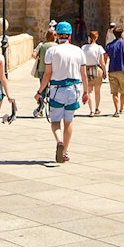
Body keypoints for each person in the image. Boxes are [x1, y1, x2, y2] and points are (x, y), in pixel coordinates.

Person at [35, 20, 88, 163]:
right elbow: (84, 74)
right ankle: (64, 152)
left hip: (57, 89)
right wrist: (86, 92)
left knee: (56, 121)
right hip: (74, 88)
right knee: (69, 121)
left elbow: (47, 74)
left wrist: (40, 91)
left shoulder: (52, 51)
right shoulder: (79, 51)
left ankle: (59, 141)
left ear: (57, 35)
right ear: (70, 35)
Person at [102, 26, 124, 116]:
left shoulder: (109, 46)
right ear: (122, 34)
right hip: (123, 70)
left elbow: (105, 59)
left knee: (114, 92)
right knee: (123, 91)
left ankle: (116, 110)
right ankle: (122, 108)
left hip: (112, 70)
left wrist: (104, 71)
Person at [30, 29, 57, 118]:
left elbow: (33, 55)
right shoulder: (56, 46)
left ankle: (41, 108)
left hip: (42, 70)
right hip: (54, 71)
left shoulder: (42, 45)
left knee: (43, 89)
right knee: (53, 90)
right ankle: (51, 110)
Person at [81, 30, 105, 116]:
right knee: (97, 91)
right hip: (97, 69)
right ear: (96, 37)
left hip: (87, 69)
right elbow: (102, 62)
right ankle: (97, 108)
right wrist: (104, 71)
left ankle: (91, 110)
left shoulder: (84, 48)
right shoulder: (99, 48)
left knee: (89, 91)